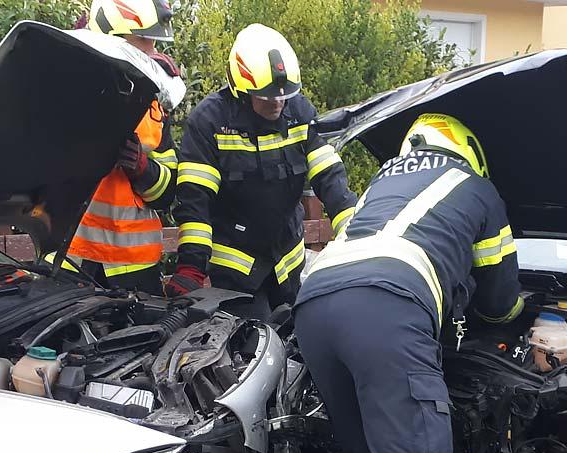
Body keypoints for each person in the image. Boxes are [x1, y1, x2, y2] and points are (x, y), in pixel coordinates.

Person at [294, 113, 532, 453]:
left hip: (315, 305)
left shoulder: (384, 182)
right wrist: (519, 318)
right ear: (468, 151)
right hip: (387, 306)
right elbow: (499, 299)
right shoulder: (477, 188)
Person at [165, 23, 357, 318]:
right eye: (267, 97)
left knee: (298, 335)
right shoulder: (210, 122)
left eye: (284, 95)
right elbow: (195, 200)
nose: (277, 102)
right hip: (236, 271)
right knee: (252, 342)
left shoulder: (299, 112)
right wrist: (192, 266)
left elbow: (330, 177)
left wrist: (357, 237)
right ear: (241, 91)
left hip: (288, 263)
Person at [48, 0, 181, 292]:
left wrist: (143, 170)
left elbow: (167, 193)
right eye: (142, 39)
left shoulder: (155, 105)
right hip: (71, 261)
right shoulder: (68, 88)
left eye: (153, 40)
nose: (152, 50)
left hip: (135, 269)